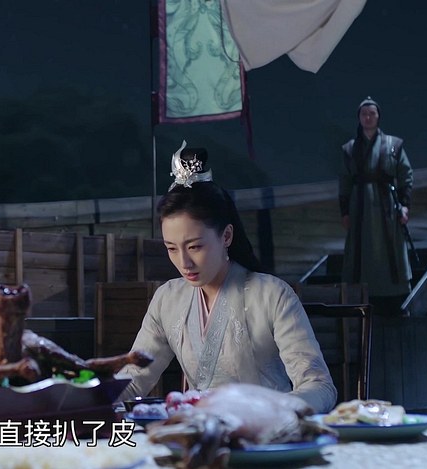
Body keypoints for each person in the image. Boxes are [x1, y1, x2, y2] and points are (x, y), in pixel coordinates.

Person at [117, 141, 337, 413]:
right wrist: (86, 399)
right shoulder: (167, 299)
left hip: (266, 427)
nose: (184, 263)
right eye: (171, 248)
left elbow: (319, 385)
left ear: (227, 236)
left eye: (195, 247)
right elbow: (135, 378)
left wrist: (277, 411)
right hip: (199, 430)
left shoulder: (272, 295)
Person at [339, 97, 414, 314]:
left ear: (378, 116)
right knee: (360, 249)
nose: (368, 117)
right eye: (364, 114)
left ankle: (395, 296)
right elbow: (344, 181)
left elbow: (406, 175)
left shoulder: (393, 145)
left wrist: (405, 205)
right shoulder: (350, 149)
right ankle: (360, 294)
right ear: (359, 118)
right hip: (359, 206)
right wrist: (345, 212)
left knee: (389, 249)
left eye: (372, 113)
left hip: (386, 206)